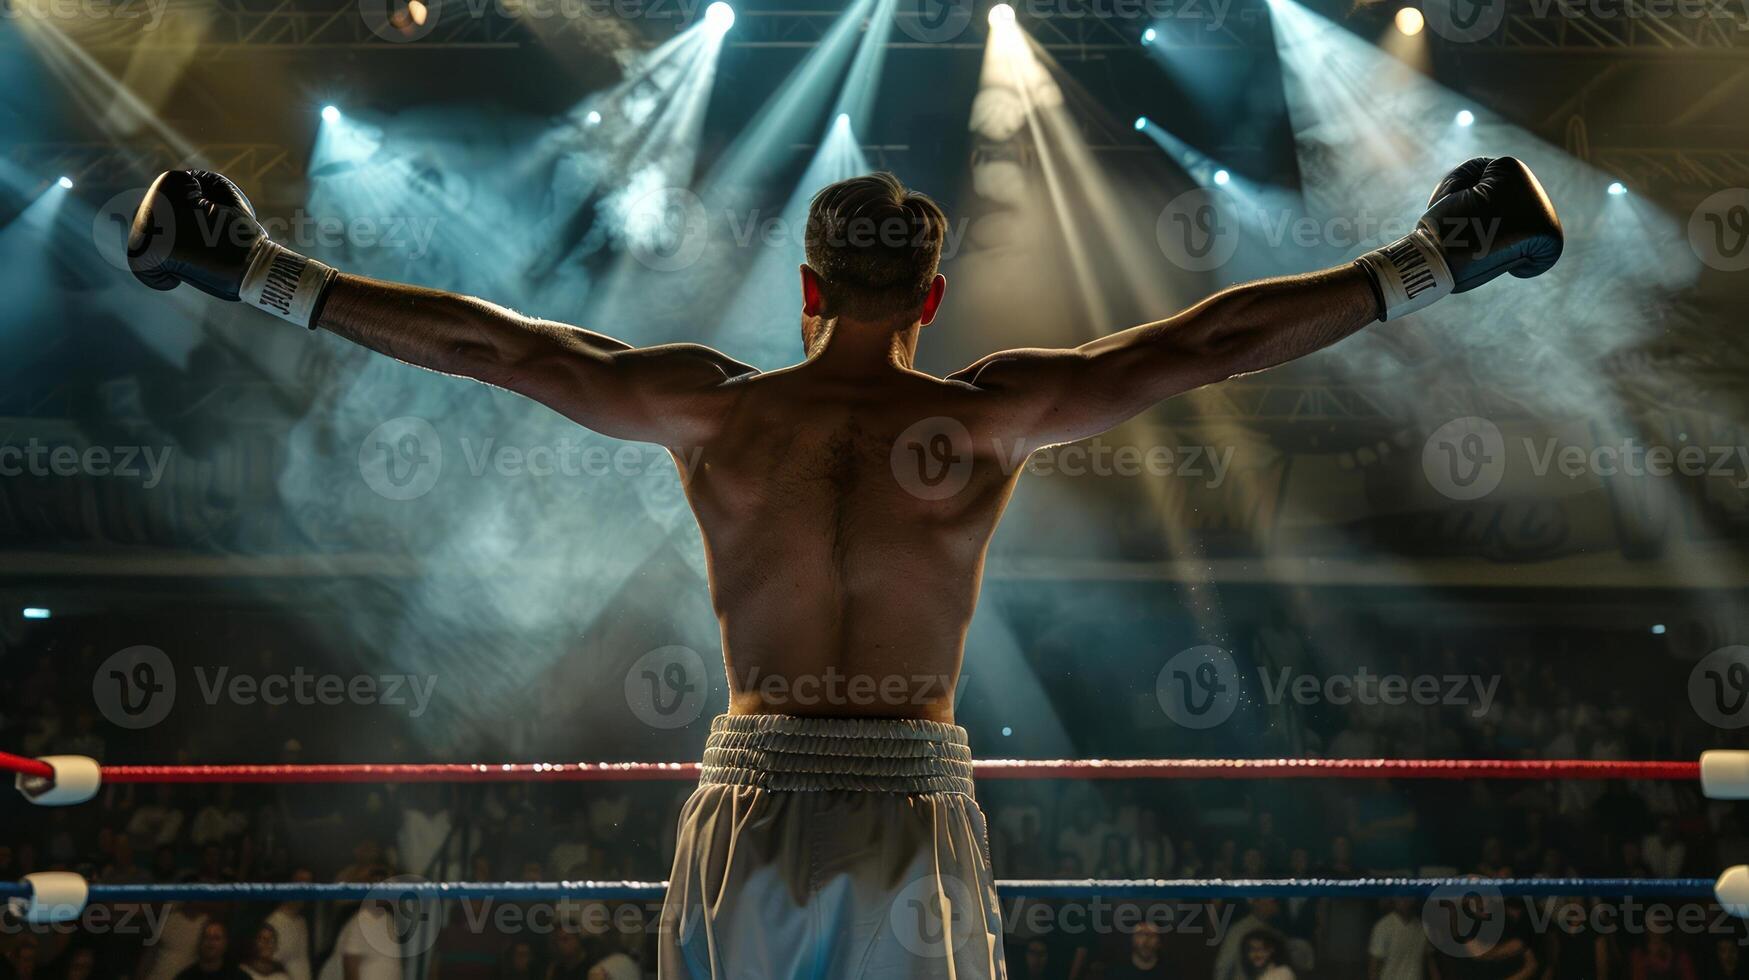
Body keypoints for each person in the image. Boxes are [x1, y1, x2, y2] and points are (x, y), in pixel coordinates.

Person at [128, 158, 1562, 980]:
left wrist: (254, 266)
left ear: (807, 288)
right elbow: (1201, 346)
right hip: (907, 797)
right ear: (929, 298)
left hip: (746, 789)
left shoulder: (715, 406)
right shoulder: (983, 412)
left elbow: (495, 349)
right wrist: (1432, 254)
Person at [1367, 898, 1427, 980]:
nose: (1405, 900)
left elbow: (1428, 960)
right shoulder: (1383, 926)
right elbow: (1374, 966)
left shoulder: (1422, 928)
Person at [173, 923, 249, 980]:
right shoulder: (186, 976)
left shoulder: (239, 976)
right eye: (207, 937)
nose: (210, 942)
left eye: (216, 938)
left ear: (226, 943)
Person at [1102, 923, 1169, 980]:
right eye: (1140, 934)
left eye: (1152, 934)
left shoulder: (1170, 973)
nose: (1146, 940)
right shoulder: (1115, 973)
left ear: (1159, 941)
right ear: (1131, 939)